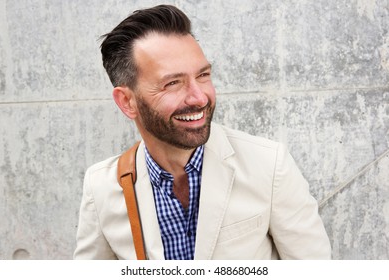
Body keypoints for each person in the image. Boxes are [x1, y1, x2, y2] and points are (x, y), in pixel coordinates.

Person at [74, 4, 331, 260]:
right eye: (172, 83)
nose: (199, 97)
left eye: (203, 75)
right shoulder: (101, 187)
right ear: (127, 102)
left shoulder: (269, 165)